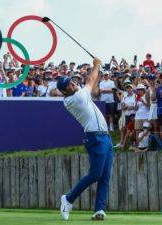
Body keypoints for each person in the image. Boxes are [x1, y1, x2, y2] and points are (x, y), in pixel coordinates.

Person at [56, 58, 113, 221]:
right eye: (68, 85)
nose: (72, 84)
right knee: (95, 174)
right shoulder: (76, 98)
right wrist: (96, 65)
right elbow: (90, 80)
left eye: (72, 82)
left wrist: (97, 69)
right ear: (64, 91)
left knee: (105, 175)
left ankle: (99, 210)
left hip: (105, 137)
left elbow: (92, 85)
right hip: (95, 137)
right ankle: (68, 199)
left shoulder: (78, 94)